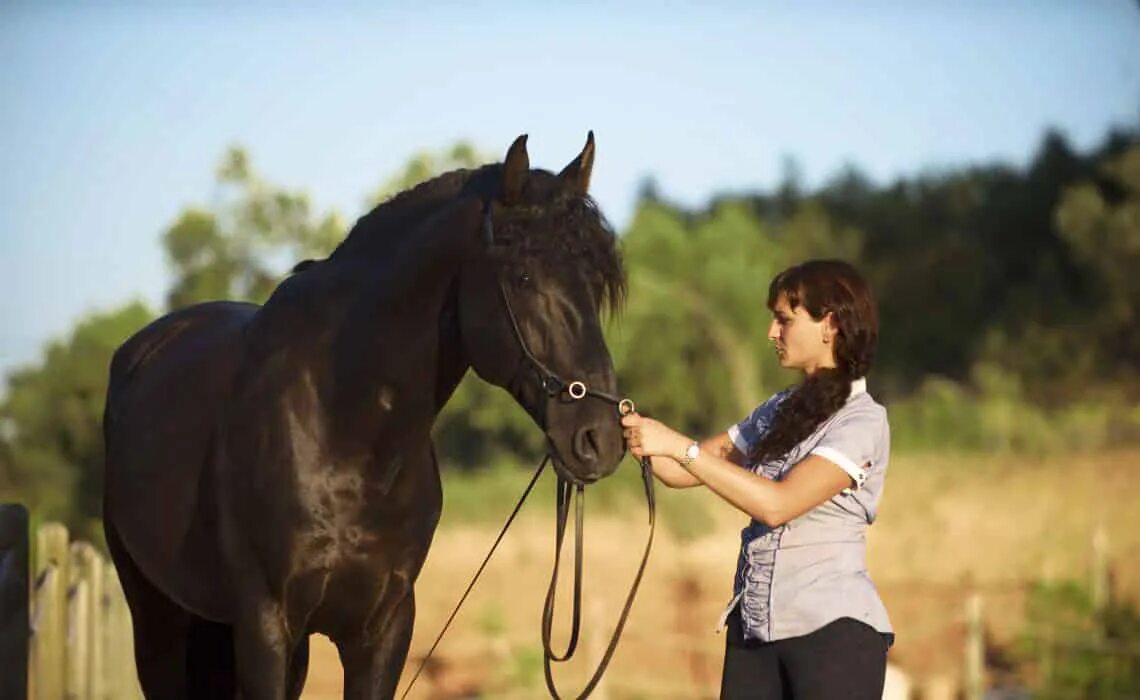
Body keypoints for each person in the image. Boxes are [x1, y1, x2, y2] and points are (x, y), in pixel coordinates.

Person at [621, 259, 893, 699]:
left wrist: (677, 444)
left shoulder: (863, 421)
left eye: (784, 320)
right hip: (753, 634)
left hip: (833, 637)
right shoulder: (777, 411)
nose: (772, 332)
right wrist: (618, 426)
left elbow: (776, 504)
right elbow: (677, 470)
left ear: (830, 325)